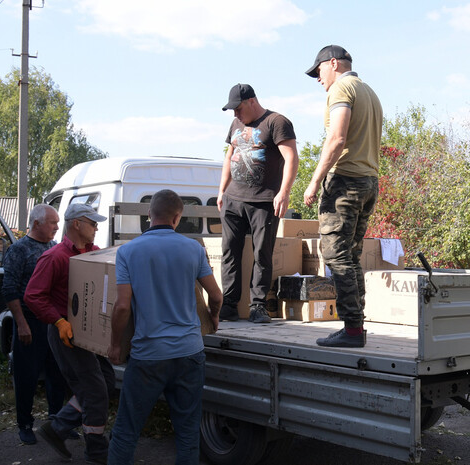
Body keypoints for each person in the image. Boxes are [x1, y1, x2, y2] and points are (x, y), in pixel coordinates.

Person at [107, 189, 222, 465]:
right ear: (177, 217)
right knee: (187, 432)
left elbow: (123, 306)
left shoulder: (128, 252)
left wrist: (114, 344)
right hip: (189, 353)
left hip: (148, 356)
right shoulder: (194, 248)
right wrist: (213, 316)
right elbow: (216, 296)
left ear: (149, 215)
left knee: (126, 431)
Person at [302, 45, 384, 348]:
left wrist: (314, 181)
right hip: (368, 181)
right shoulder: (369, 91)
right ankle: (356, 326)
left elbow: (336, 138)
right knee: (350, 256)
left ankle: (352, 330)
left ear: (333, 63)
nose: (318, 78)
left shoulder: (341, 89)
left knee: (337, 256)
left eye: (318, 71)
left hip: (345, 182)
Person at [24, 203, 115, 464]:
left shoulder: (94, 254)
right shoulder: (55, 257)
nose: (97, 227)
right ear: (76, 224)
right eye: (92, 222)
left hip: (90, 333)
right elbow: (33, 296)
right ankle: (96, 448)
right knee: (95, 389)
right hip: (67, 336)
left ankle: (58, 427)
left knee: (106, 381)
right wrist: (59, 321)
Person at [217, 83, 299, 324]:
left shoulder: (277, 122)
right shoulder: (235, 124)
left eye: (238, 108)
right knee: (229, 252)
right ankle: (229, 305)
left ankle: (258, 306)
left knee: (262, 253)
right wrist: (221, 190)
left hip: (264, 200)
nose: (235, 114)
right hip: (233, 199)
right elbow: (229, 156)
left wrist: (284, 192)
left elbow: (291, 157)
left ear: (252, 101)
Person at [0, 204, 68, 445]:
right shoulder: (19, 250)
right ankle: (25, 424)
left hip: (51, 321)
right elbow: (9, 289)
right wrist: (21, 324)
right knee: (27, 376)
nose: (57, 227)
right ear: (36, 223)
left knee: (57, 374)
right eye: (52, 222)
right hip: (29, 321)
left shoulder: (54, 247)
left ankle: (57, 422)